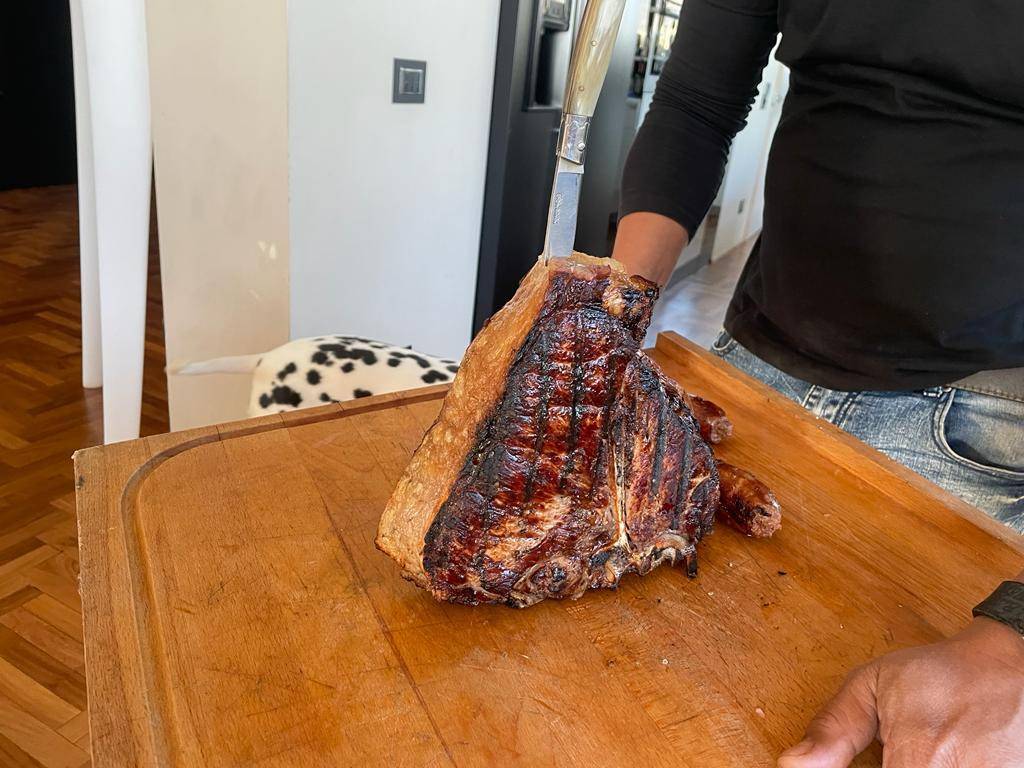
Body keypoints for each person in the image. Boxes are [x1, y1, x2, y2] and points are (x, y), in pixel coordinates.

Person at [610, 0, 1024, 765]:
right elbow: (697, 102)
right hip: (754, 363)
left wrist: (1019, 635)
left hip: (984, 424)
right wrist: (609, 328)